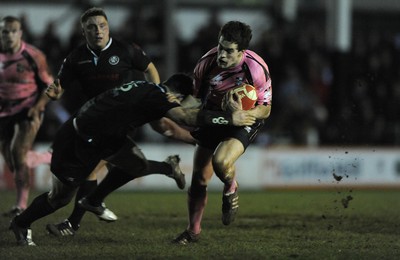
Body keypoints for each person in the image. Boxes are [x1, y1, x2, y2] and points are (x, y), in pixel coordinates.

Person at [9, 74, 257, 246]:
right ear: (181, 95)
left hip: (103, 137)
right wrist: (227, 118)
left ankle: (93, 200)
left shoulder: (147, 90)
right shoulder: (162, 97)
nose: (197, 106)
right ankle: (21, 223)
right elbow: (186, 116)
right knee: (60, 198)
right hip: (78, 141)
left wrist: (196, 140)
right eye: (196, 101)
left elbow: (165, 125)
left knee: (136, 163)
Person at [44, 7, 195, 237]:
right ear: (83, 31)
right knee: (122, 163)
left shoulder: (125, 49)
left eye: (102, 26)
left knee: (95, 168)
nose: (98, 31)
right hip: (97, 118)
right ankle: (169, 166)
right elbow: (60, 86)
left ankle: (73, 223)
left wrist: (155, 93)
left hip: (124, 114)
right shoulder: (76, 58)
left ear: (108, 27)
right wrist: (55, 93)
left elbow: (149, 68)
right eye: (92, 27)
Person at [173, 21, 272, 245]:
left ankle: (231, 186)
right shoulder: (206, 63)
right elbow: (196, 99)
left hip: (245, 119)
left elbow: (266, 108)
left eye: (229, 50)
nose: (222, 55)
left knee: (220, 162)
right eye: (220, 47)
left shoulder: (256, 68)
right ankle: (193, 231)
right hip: (214, 115)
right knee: (199, 178)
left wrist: (246, 112)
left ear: (242, 52)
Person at [0, 16, 54, 217]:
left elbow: (51, 85)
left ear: (20, 33)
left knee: (18, 152)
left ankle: (21, 206)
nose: (9, 35)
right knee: (12, 161)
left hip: (28, 109)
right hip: (4, 112)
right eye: (5, 31)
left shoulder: (33, 55)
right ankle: (46, 157)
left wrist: (38, 106)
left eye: (13, 31)